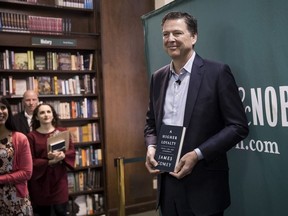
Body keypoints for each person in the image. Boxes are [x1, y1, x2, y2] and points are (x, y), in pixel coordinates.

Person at [144, 12, 249, 216]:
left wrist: (197, 154)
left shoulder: (217, 73)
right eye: (166, 34)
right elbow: (151, 124)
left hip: (204, 186)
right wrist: (151, 146)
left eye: (177, 33)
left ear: (194, 37)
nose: (170, 39)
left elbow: (238, 126)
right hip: (167, 186)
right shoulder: (157, 78)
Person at [27, 103, 75, 216]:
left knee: (61, 211)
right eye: (42, 112)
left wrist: (64, 156)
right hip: (41, 182)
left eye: (49, 112)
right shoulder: (31, 136)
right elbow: (30, 161)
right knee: (43, 213)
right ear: (37, 117)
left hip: (59, 180)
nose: (46, 115)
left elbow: (71, 151)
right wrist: (48, 162)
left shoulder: (63, 132)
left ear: (53, 115)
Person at [0, 97, 33, 215]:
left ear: (8, 110)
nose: (0, 111)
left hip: (16, 199)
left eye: (3, 107)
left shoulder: (19, 138)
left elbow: (27, 172)